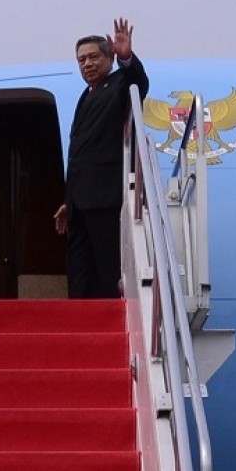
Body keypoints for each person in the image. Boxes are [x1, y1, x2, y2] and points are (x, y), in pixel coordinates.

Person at [54, 18, 149, 299]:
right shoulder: (86, 95)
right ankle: (80, 324)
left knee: (107, 267)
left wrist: (127, 58)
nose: (87, 64)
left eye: (94, 57)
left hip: (105, 195)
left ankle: (108, 322)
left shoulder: (120, 84)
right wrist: (68, 200)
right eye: (81, 59)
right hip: (80, 201)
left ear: (109, 57)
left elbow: (138, 83)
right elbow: (81, 154)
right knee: (79, 268)